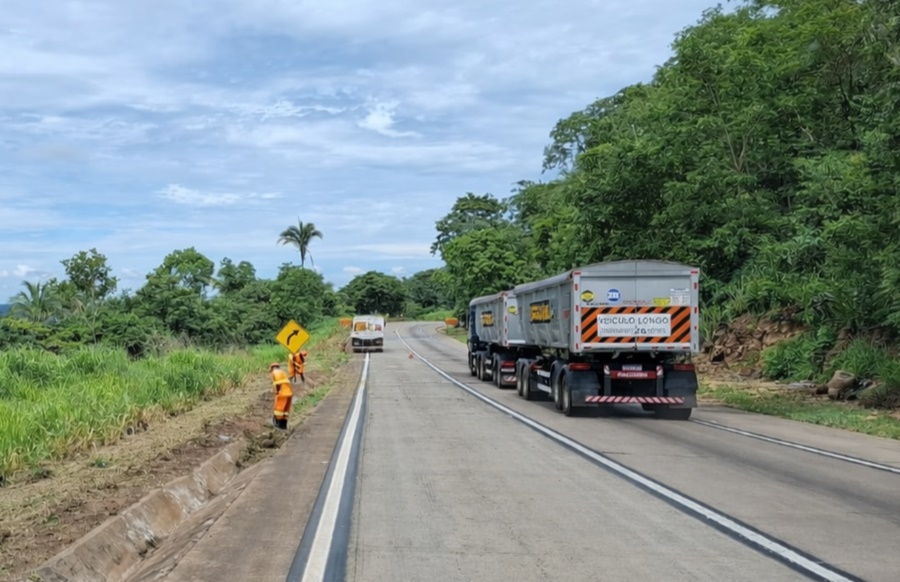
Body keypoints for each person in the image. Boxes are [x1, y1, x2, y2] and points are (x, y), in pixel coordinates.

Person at [269, 362, 293, 430]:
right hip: (289, 393)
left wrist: (277, 392)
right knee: (285, 410)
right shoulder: (282, 372)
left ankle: (278, 425)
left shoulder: (274, 372)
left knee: (279, 409)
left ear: (272, 368)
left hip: (282, 393)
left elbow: (277, 383)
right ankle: (283, 425)